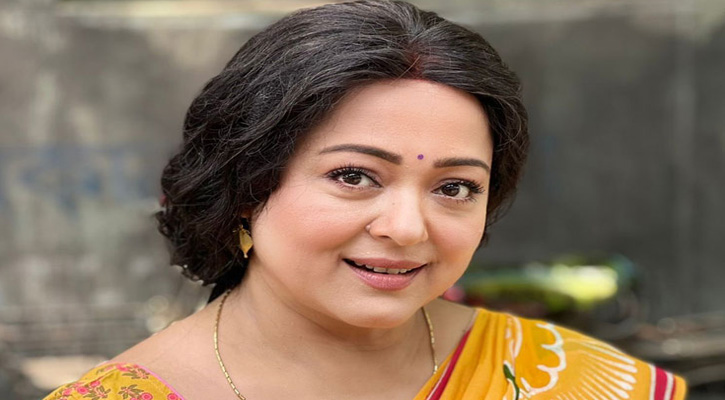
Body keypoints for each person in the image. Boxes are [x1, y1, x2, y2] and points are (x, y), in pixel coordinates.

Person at [44, 1, 687, 399]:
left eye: (455, 187)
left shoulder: (571, 380)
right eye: (354, 176)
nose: (407, 228)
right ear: (245, 186)